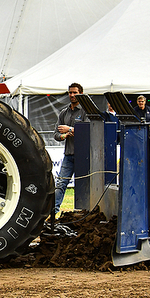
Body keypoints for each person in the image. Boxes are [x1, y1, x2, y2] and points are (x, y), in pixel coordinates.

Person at [53, 82, 88, 217]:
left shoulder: (85, 111)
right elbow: (56, 134)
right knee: (60, 183)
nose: (72, 95)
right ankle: (54, 213)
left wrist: (71, 129)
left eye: (75, 92)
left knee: (83, 186)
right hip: (68, 155)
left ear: (81, 93)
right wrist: (64, 135)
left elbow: (89, 130)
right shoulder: (64, 112)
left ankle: (82, 214)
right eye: (70, 92)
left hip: (83, 156)